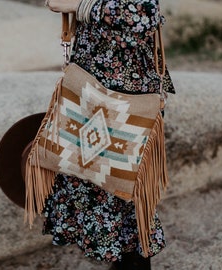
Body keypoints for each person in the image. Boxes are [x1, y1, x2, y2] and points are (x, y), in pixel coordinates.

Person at [42, 0, 175, 269]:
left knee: (122, 197)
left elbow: (142, 15)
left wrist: (78, 5)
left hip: (123, 93)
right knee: (98, 186)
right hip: (91, 84)